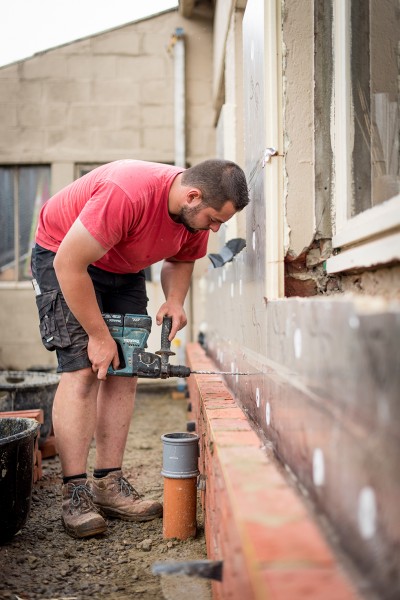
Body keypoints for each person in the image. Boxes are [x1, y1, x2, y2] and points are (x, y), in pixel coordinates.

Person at [31, 158, 250, 539]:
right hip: (64, 256)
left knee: (125, 367)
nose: (215, 229)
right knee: (83, 368)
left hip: (122, 265)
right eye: (214, 220)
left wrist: (175, 301)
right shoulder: (128, 192)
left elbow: (181, 260)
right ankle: (75, 492)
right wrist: (98, 336)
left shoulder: (193, 211)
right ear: (192, 196)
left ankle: (108, 483)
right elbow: (69, 264)